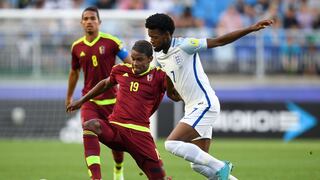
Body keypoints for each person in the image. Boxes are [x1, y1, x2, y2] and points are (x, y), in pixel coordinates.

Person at [145, 13, 273, 180]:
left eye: (155, 37)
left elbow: (218, 41)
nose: (151, 41)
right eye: (150, 37)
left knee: (171, 144)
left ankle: (221, 165)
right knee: (198, 164)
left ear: (167, 35)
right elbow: (167, 71)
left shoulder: (185, 45)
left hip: (205, 104)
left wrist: (250, 28)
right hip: (192, 107)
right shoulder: (159, 54)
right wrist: (170, 90)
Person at [67, 40, 179, 180]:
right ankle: (96, 178)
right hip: (116, 130)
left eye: (140, 59)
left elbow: (175, 96)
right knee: (90, 126)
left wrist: (171, 77)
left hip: (140, 135)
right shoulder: (121, 70)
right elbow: (105, 83)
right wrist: (82, 100)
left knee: (159, 177)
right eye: (133, 59)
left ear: (150, 59)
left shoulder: (159, 76)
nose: (135, 63)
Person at [65, 6, 131, 180]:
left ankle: (118, 170)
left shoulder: (112, 42)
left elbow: (131, 64)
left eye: (93, 18)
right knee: (88, 130)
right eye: (85, 19)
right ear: (81, 23)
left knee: (116, 143)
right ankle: (96, 178)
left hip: (113, 101)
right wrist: (69, 97)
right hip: (89, 100)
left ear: (99, 22)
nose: (89, 22)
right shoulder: (76, 47)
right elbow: (74, 73)